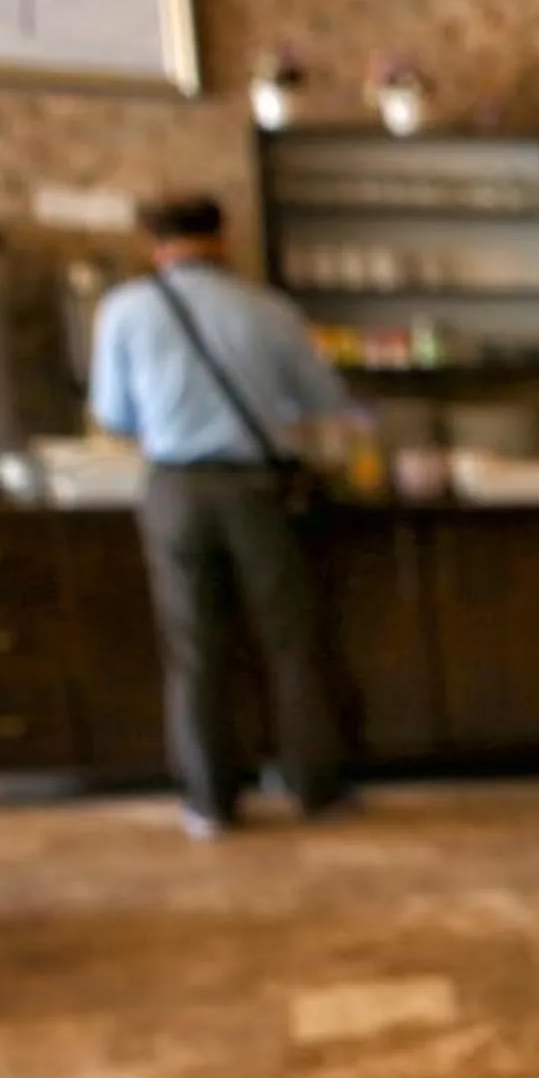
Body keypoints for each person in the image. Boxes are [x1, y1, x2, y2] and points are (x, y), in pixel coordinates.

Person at [89, 194, 352, 836]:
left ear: (154, 243)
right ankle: (314, 787)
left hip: (175, 489)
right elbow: (323, 398)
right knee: (289, 643)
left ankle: (209, 802)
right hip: (257, 490)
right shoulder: (268, 310)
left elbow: (116, 415)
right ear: (224, 238)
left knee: (193, 649)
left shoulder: (124, 311)